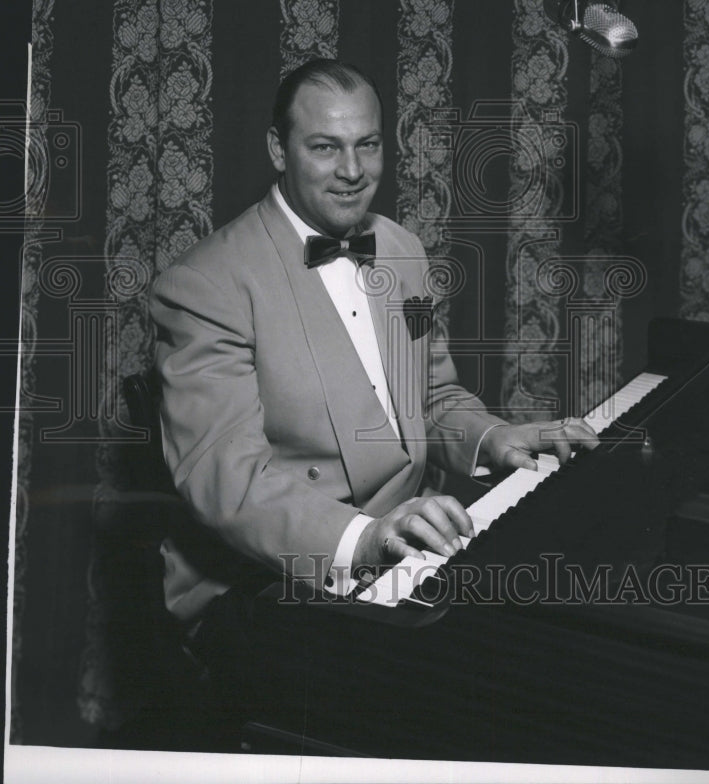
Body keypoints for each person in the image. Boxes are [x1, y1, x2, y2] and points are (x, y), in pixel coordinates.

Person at [150, 58, 598, 628]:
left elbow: (429, 399)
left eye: (367, 144)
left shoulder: (402, 250)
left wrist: (494, 437)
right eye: (325, 148)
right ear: (276, 148)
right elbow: (226, 477)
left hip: (402, 550)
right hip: (265, 579)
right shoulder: (206, 284)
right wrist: (364, 540)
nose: (353, 170)